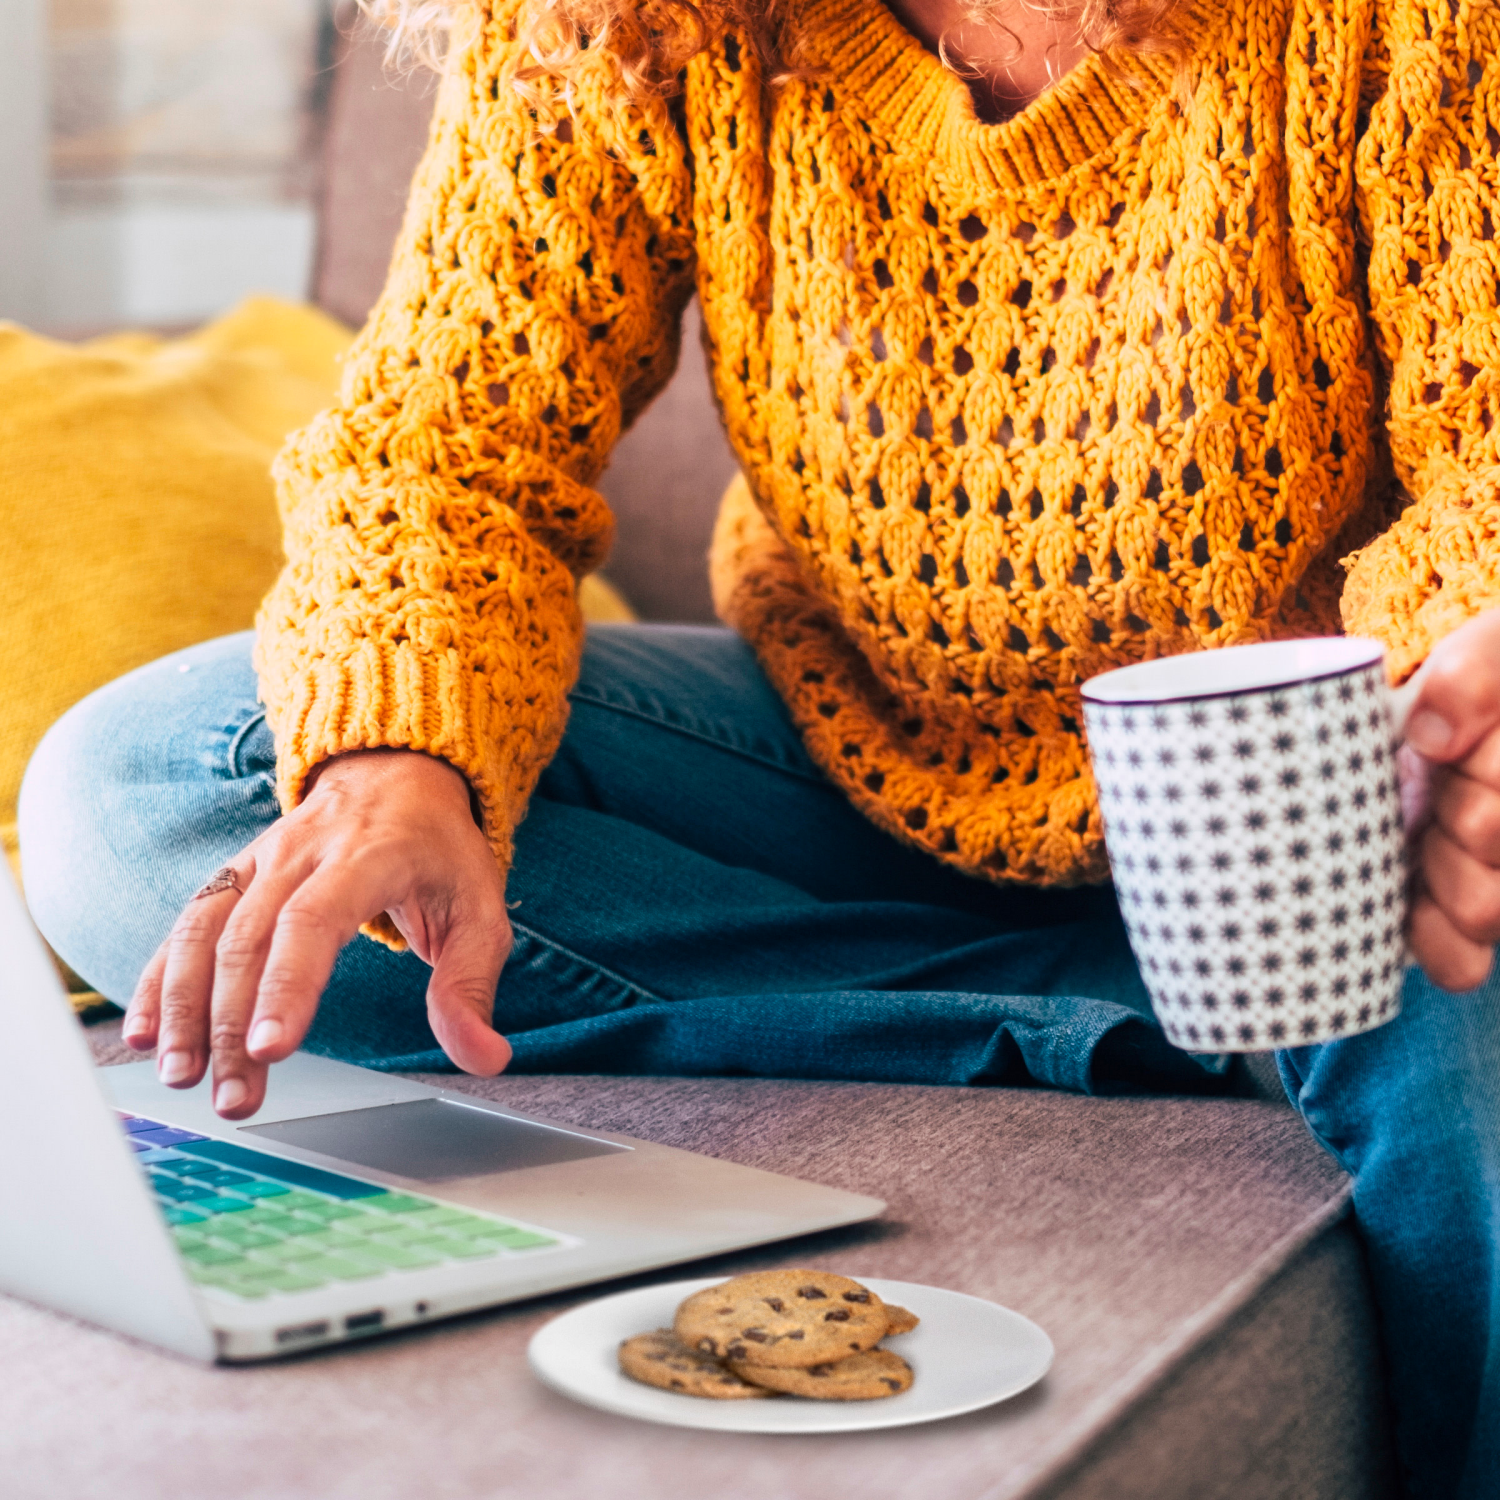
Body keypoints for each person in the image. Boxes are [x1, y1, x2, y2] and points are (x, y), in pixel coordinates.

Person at [18, 0, 1500, 1488]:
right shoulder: (627, 22)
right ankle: (1123, 1014)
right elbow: (448, 447)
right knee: (147, 788)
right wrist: (397, 760)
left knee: (1483, 972)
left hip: (1306, 807)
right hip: (843, 759)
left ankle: (1267, 1013)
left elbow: (1484, 469)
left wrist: (1450, 707)